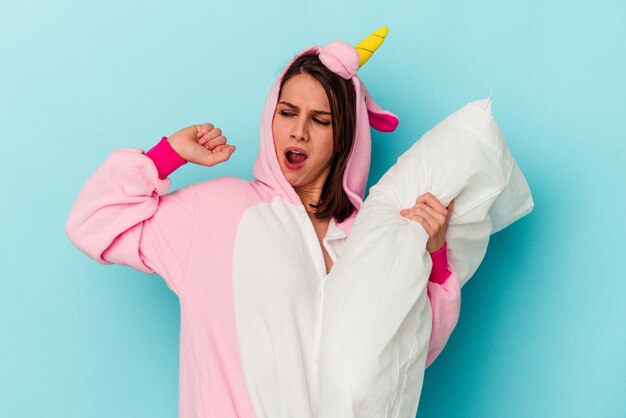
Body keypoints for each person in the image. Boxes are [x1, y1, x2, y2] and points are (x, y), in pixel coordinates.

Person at [66, 28, 460, 418]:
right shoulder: (215, 210)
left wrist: (435, 258)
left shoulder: (370, 235)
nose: (298, 132)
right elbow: (93, 220)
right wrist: (166, 155)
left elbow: (405, 355)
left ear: (344, 136)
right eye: (287, 113)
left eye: (320, 120)